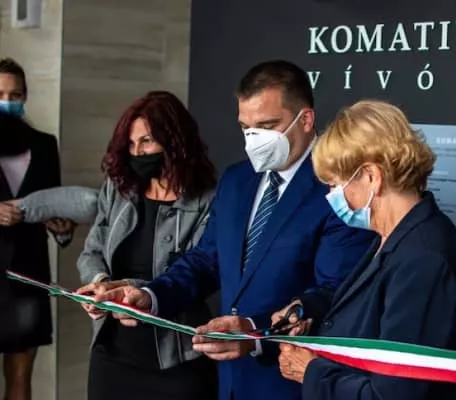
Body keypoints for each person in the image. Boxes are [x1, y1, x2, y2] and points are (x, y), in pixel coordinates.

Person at [93, 60, 376, 400]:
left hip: (292, 383)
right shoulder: (236, 180)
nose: (255, 139)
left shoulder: (340, 189)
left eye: (267, 125)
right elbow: (205, 261)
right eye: (246, 127)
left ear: (305, 120)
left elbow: (334, 293)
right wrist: (152, 296)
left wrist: (255, 332)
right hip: (229, 380)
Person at [272, 100, 456, 400]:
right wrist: (307, 309)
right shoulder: (392, 235)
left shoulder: (425, 258)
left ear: (372, 176)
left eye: (335, 184)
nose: (331, 195)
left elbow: (393, 394)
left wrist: (311, 372)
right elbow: (368, 308)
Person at [74, 91, 218, 400]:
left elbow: (195, 273)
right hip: (112, 356)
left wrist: (124, 289)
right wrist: (100, 285)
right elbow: (92, 251)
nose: (137, 152)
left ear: (175, 142)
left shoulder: (209, 200)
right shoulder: (118, 189)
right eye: (131, 144)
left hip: (178, 360)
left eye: (147, 141)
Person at [0, 58, 74, 400]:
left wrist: (62, 229)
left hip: (27, 276)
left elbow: (53, 204)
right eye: (0, 94)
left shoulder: (44, 145)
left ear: (25, 97)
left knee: (20, 376)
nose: (7, 101)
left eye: (14, 95)